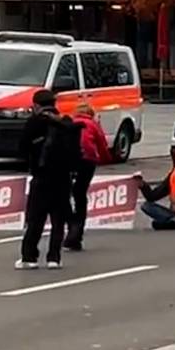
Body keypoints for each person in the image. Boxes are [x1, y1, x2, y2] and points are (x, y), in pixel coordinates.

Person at [17, 89, 81, 269]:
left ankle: (29, 258)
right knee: (58, 220)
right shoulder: (67, 123)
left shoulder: (35, 123)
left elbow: (22, 148)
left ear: (36, 105)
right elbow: (76, 154)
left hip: (41, 177)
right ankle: (54, 258)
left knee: (36, 219)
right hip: (63, 178)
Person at [64, 103, 112, 252]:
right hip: (87, 161)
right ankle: (76, 234)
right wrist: (105, 160)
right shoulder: (93, 124)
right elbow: (102, 144)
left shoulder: (70, 123)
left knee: (65, 195)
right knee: (80, 196)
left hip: (69, 161)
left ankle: (71, 224)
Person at [136, 147, 175, 230]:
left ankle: (172, 223)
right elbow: (153, 196)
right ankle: (173, 222)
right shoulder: (173, 175)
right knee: (146, 206)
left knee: (161, 223)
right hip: (174, 214)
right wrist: (143, 185)